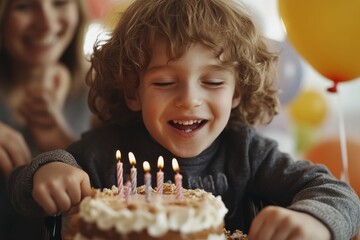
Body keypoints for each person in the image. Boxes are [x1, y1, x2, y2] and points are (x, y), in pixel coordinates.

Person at [8, 0, 360, 240]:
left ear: (237, 92)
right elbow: (24, 187)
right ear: (133, 91)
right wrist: (47, 169)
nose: (190, 99)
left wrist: (314, 220)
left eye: (213, 82)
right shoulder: (105, 150)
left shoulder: (247, 153)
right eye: (164, 82)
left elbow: (338, 194)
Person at [0, 0, 91, 239]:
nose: (47, 23)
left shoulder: (103, 92)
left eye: (60, 3)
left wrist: (61, 144)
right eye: (24, 6)